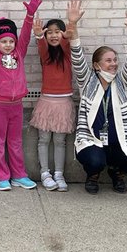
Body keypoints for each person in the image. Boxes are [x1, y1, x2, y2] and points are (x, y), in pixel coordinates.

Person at [66, 0, 127, 194]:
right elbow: (77, 55)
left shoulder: (123, 84)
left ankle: (117, 171)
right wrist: (73, 25)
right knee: (95, 160)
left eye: (115, 60)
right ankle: (93, 174)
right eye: (108, 61)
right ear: (97, 65)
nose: (113, 64)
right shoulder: (88, 82)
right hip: (92, 139)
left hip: (119, 141)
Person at [0, 0, 41, 192]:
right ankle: (1, 176)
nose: (7, 44)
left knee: (15, 142)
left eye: (10, 41)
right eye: (3, 41)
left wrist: (30, 15)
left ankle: (19, 175)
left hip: (17, 105)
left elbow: (24, 35)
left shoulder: (19, 53)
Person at [31, 16, 74, 191]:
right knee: (43, 139)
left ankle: (58, 174)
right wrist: (39, 36)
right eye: (50, 32)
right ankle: (45, 174)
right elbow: (42, 46)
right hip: (46, 101)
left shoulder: (68, 53)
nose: (54, 35)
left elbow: (66, 43)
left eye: (57, 32)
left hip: (64, 102)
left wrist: (70, 30)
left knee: (59, 141)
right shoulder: (45, 55)